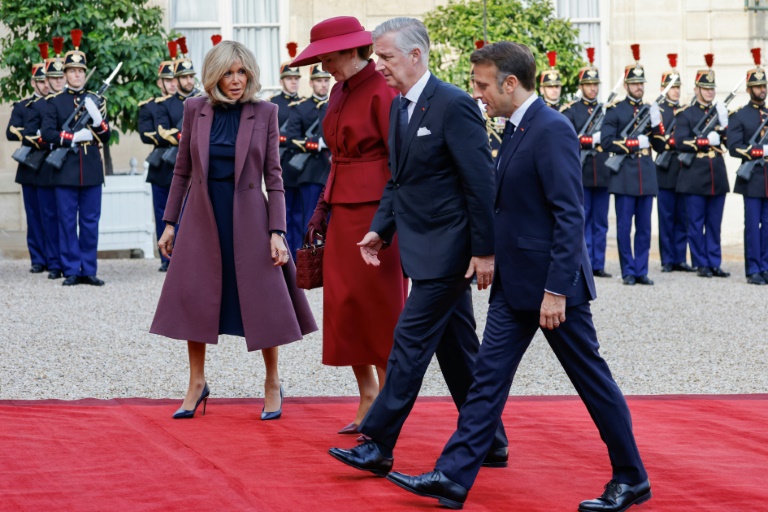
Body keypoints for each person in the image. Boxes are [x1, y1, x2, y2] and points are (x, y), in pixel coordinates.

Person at [385, 41, 650, 512]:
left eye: (483, 85)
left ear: (511, 83)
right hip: (513, 285)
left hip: (552, 289)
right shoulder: (515, 126)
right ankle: (452, 476)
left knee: (592, 382)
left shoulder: (551, 129)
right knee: (487, 381)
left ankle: (632, 478)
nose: (477, 93)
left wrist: (555, 290)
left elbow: (570, 216)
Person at [326, 17, 507, 473]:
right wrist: (380, 229)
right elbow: (399, 180)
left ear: (415, 55)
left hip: (449, 252)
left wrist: (484, 251)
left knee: (407, 343)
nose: (379, 64)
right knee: (458, 350)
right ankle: (492, 440)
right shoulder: (398, 107)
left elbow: (480, 184)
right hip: (418, 247)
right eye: (377, 55)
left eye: (385, 56)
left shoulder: (455, 104)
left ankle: (378, 444)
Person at [150, 40, 317, 420]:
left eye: (242, 72)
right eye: (228, 72)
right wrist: (170, 223)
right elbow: (182, 170)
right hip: (201, 215)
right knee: (195, 295)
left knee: (264, 300)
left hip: (250, 216)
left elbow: (274, 177)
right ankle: (196, 382)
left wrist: (277, 231)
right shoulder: (195, 108)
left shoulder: (266, 111)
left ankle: (272, 381)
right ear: (214, 75)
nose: (236, 79)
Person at [290, 16, 408, 434]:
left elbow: (399, 164)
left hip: (379, 214)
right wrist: (323, 204)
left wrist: (390, 221)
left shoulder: (385, 90)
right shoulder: (339, 90)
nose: (321, 66)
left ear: (350, 50)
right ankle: (367, 396)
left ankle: (389, 407)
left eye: (326, 57)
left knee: (380, 308)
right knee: (345, 306)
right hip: (342, 210)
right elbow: (337, 156)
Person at [41, 29, 110, 287]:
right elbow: (48, 133)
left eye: (81, 71)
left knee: (91, 222)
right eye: (72, 71)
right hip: (65, 169)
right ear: (66, 74)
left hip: (91, 168)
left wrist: (98, 119)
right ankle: (71, 269)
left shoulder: (96, 101)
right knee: (67, 222)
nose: (77, 74)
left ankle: (88, 269)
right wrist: (72, 138)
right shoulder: (55, 102)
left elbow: (106, 136)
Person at [602, 44, 661, 286]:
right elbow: (606, 141)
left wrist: (657, 126)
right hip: (624, 175)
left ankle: (641, 269)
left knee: (645, 228)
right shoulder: (615, 111)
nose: (639, 87)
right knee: (625, 228)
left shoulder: (650, 109)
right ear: (626, 85)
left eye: (641, 83)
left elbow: (660, 145)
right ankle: (627, 270)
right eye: (635, 83)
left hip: (645, 175)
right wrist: (634, 143)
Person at [675, 54, 731, 279]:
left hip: (716, 173)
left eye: (712, 88)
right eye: (705, 88)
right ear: (697, 89)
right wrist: (705, 141)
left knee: (714, 223)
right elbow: (680, 141)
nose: (709, 92)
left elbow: (730, 141)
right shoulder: (686, 114)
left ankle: (714, 261)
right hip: (694, 175)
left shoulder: (719, 112)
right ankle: (700, 262)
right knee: (696, 223)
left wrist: (725, 125)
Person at [560, 47, 612, 277]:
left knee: (601, 223)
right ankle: (584, 264)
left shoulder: (605, 110)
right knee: (581, 221)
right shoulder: (571, 111)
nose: (593, 88)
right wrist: (590, 139)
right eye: (589, 84)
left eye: (595, 84)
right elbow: (570, 139)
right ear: (581, 86)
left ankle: (598, 264)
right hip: (580, 171)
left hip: (601, 171)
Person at [727, 48, 768, 285]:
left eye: (764, 86)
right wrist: (758, 151)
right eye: (758, 86)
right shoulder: (740, 116)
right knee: (753, 226)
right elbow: (734, 147)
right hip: (752, 177)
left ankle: (765, 266)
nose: (762, 90)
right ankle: (753, 268)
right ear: (749, 89)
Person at [652, 54, 695, 273]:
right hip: (665, 170)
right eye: (672, 87)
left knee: (683, 217)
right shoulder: (657, 111)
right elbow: (659, 139)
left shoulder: (686, 110)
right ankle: (667, 258)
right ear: (664, 88)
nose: (676, 91)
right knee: (667, 217)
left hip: (683, 169)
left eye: (678, 87)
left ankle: (680, 257)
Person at [6, 57, 48, 274]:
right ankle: (38, 259)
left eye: (46, 81)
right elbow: (11, 130)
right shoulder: (23, 106)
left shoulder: (55, 104)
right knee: (34, 215)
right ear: (33, 83)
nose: (45, 85)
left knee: (51, 215)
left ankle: (54, 257)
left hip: (50, 166)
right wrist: (32, 137)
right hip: (30, 166)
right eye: (40, 82)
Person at [138, 43, 178, 272]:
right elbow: (146, 135)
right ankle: (166, 258)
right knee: (162, 213)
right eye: (168, 79)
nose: (173, 83)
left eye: (175, 79)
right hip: (161, 166)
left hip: (183, 166)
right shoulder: (150, 107)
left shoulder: (187, 103)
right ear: (159, 82)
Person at [31, 37, 66, 280]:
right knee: (49, 218)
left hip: (66, 164)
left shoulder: (68, 101)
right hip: (44, 165)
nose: (54, 82)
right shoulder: (36, 105)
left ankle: (67, 262)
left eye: (58, 77)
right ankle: (53, 263)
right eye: (50, 78)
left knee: (65, 218)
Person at [284, 64, 331, 242]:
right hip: (310, 172)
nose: (323, 85)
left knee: (333, 221)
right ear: (311, 83)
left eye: (326, 80)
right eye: (319, 81)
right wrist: (317, 143)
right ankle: (308, 265)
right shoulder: (300, 108)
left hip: (332, 171)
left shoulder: (335, 104)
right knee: (309, 222)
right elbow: (291, 138)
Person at [271, 44, 304, 259]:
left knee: (301, 213)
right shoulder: (273, 104)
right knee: (284, 213)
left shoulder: (305, 104)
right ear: (282, 80)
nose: (293, 82)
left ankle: (299, 252)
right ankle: (286, 251)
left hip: (302, 165)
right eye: (289, 78)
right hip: (281, 162)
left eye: (296, 78)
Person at [156, 36, 201, 170]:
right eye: (184, 77)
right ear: (175, 81)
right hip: (175, 166)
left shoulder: (203, 101)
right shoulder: (165, 104)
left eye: (191, 77)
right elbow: (162, 133)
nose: (189, 81)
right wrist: (186, 136)